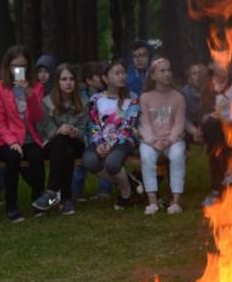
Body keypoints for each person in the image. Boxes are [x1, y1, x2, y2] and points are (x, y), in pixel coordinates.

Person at [0, 45, 46, 222]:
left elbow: (38, 117)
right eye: (15, 65)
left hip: (29, 136)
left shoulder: (36, 86)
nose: (19, 70)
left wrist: (29, 93)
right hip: (7, 139)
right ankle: (12, 206)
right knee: (13, 158)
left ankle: (38, 202)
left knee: (37, 156)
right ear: (8, 66)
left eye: (23, 66)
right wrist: (11, 141)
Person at [83, 60, 141, 210]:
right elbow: (94, 125)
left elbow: (128, 126)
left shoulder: (132, 98)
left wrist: (110, 144)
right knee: (89, 160)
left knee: (112, 163)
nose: (122, 76)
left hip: (124, 140)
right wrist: (99, 143)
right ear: (105, 78)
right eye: (117, 73)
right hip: (102, 140)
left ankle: (126, 192)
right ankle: (129, 181)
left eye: (123, 73)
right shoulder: (96, 100)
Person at [34, 63, 89, 216]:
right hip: (53, 144)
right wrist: (58, 130)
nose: (68, 82)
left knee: (68, 145)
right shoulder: (47, 102)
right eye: (64, 79)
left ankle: (51, 192)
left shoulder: (83, 102)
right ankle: (66, 199)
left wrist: (75, 131)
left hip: (75, 142)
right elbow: (45, 128)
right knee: (64, 146)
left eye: (71, 79)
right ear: (57, 82)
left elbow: (84, 129)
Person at [138, 57, 187, 215]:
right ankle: (152, 201)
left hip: (173, 140)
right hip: (151, 140)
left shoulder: (178, 97)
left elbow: (179, 124)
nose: (167, 74)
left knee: (178, 155)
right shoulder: (145, 98)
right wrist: (152, 141)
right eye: (162, 71)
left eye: (169, 70)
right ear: (153, 76)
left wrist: (170, 140)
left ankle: (176, 200)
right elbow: (144, 123)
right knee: (146, 156)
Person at [199, 61, 232, 206]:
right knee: (213, 129)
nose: (225, 66)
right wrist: (208, 116)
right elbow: (202, 112)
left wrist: (226, 119)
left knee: (219, 141)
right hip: (212, 128)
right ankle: (221, 182)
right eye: (220, 62)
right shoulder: (208, 86)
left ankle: (222, 184)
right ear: (211, 66)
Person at [73, 61, 112, 200]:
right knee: (80, 161)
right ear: (89, 80)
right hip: (85, 133)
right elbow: (80, 118)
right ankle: (75, 192)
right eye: (99, 75)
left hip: (104, 133)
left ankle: (104, 190)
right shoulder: (79, 97)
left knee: (104, 154)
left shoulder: (107, 95)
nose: (103, 77)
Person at [181, 63, 206, 145]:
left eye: (200, 73)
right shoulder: (185, 92)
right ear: (189, 78)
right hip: (190, 126)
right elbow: (184, 117)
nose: (198, 76)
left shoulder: (210, 91)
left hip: (205, 125)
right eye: (194, 73)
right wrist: (193, 131)